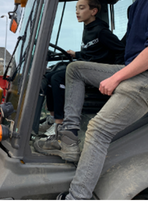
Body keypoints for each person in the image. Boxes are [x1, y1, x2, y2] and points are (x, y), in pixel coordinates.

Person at [44, 0, 148, 200]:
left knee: (98, 129)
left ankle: (78, 197)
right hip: (136, 70)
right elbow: (127, 50)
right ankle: (70, 138)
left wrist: (116, 78)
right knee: (74, 70)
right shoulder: (135, 7)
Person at [35, 0, 124, 142]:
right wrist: (77, 54)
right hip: (86, 66)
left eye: (81, 8)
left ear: (93, 11)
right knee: (50, 75)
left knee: (57, 78)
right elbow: (92, 52)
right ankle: (53, 118)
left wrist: (115, 75)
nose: (77, 12)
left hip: (97, 72)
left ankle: (60, 124)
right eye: (76, 8)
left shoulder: (101, 31)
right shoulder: (88, 29)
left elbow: (120, 50)